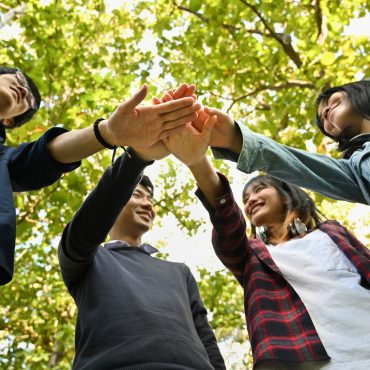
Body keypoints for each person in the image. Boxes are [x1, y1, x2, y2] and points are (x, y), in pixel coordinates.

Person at [163, 118, 370, 369]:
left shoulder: (332, 231)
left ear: (285, 194)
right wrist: (197, 161)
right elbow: (226, 220)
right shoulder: (251, 255)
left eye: (259, 189)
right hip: (306, 358)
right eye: (246, 198)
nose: (251, 200)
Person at [0, 66, 201, 285]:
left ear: (8, 121)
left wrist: (108, 133)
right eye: (19, 78)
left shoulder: (5, 161)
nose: (22, 89)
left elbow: (42, 157)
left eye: (28, 99)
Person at [57, 141, 226, 369]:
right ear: (114, 203)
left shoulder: (179, 272)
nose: (147, 204)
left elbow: (206, 338)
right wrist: (137, 158)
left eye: (150, 200)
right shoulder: (88, 257)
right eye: (137, 195)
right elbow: (82, 231)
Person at [154, 80, 370, 205]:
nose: (325, 113)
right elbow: (299, 165)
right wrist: (234, 139)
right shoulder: (356, 169)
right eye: (322, 119)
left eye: (330, 100)